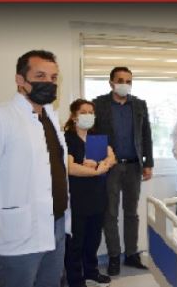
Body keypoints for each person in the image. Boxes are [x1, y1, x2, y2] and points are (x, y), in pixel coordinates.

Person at [0, 50, 70, 287]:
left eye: (53, 78)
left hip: (56, 225)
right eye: (40, 76)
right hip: (17, 232)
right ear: (20, 79)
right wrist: (1, 212)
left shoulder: (50, 119)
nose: (48, 83)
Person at [90, 66, 153, 275]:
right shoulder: (98, 104)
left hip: (134, 166)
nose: (124, 84)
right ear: (111, 83)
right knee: (110, 213)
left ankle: (132, 254)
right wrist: (96, 164)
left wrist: (148, 163)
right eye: (120, 80)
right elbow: (92, 134)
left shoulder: (140, 104)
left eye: (128, 81)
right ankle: (114, 256)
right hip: (110, 167)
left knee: (132, 213)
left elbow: (146, 135)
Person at [63, 99, 117, 287]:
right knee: (76, 242)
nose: (88, 115)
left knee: (93, 239)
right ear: (74, 116)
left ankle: (91, 273)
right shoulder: (67, 138)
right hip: (77, 197)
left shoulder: (97, 137)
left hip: (97, 195)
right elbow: (70, 167)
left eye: (91, 112)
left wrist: (102, 164)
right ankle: (75, 279)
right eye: (83, 112)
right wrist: (95, 170)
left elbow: (111, 157)